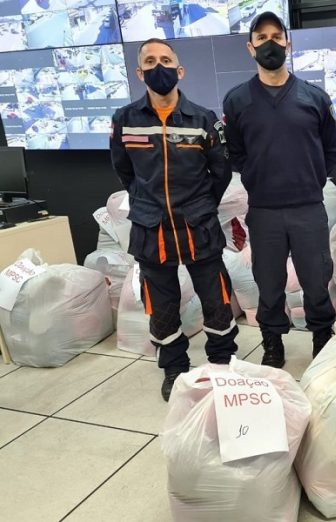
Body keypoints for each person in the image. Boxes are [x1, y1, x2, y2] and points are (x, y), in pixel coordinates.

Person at [110, 38, 237, 401]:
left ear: (179, 71)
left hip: (198, 226)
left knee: (216, 299)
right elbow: (123, 171)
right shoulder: (125, 120)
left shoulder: (202, 119)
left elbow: (221, 171)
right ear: (139, 73)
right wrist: (146, 202)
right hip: (152, 230)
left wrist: (200, 206)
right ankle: (175, 368)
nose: (158, 66)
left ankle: (222, 363)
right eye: (150, 61)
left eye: (165, 60)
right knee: (161, 307)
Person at [222, 12, 336, 368]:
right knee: (269, 284)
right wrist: (261, 177)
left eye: (277, 36)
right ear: (250, 47)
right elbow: (236, 152)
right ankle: (272, 343)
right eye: (262, 38)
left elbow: (332, 149)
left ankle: (322, 337)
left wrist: (309, 178)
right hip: (263, 211)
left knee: (317, 280)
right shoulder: (237, 100)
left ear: (288, 43)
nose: (270, 43)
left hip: (308, 207)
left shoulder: (314, 98)